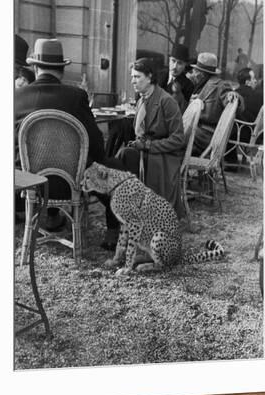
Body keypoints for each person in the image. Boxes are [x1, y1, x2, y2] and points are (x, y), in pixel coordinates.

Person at [15, 38, 122, 246]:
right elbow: (97, 145)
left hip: (30, 181)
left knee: (46, 155)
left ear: (35, 68)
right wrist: (96, 159)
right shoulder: (76, 96)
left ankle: (53, 218)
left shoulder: (16, 97)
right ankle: (113, 231)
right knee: (115, 167)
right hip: (69, 182)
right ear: (62, 69)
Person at [118, 58, 185, 218]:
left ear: (149, 77)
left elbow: (178, 139)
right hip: (147, 151)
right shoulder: (142, 99)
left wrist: (148, 146)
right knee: (119, 139)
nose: (132, 81)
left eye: (137, 77)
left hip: (163, 156)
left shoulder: (166, 101)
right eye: (132, 76)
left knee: (124, 156)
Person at [187, 52, 240, 156]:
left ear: (202, 73)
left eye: (196, 70)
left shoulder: (220, 86)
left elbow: (235, 104)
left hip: (206, 135)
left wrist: (233, 95)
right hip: (196, 131)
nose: (194, 73)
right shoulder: (198, 83)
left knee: (171, 134)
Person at [158, 43, 195, 114]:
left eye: (179, 63)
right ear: (169, 60)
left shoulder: (188, 86)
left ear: (185, 65)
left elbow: (182, 111)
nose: (175, 66)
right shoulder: (157, 75)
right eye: (173, 61)